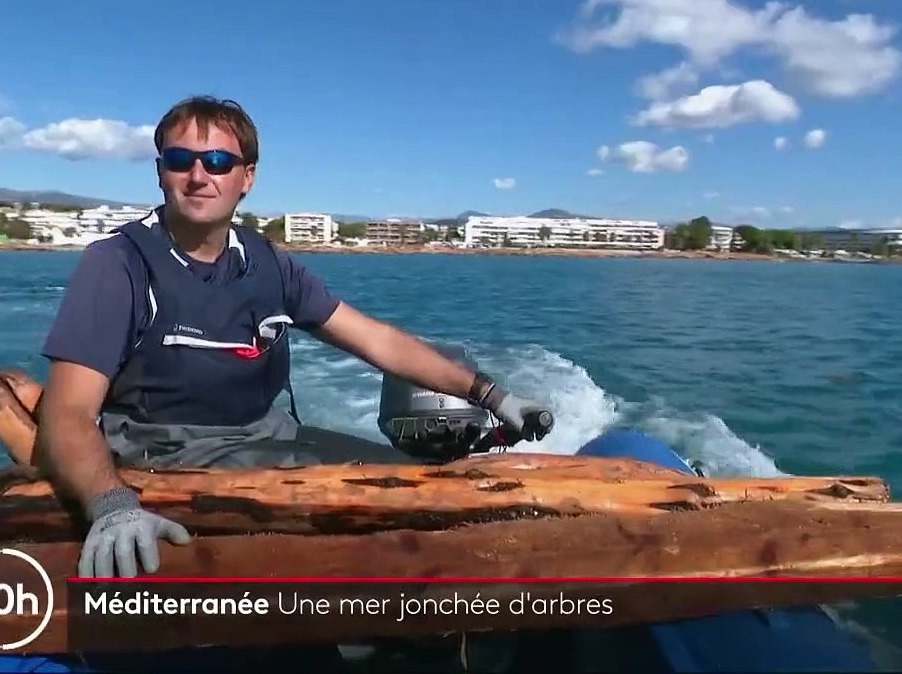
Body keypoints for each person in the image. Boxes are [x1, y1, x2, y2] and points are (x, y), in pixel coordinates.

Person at [36, 95, 552, 580]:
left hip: (270, 437)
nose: (199, 175)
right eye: (180, 159)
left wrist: (491, 394)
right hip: (166, 454)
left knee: (417, 489)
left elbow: (378, 342)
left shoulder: (267, 263)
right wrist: (112, 505)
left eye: (218, 161)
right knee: (372, 529)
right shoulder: (119, 264)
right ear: (160, 172)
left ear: (247, 178)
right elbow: (68, 413)